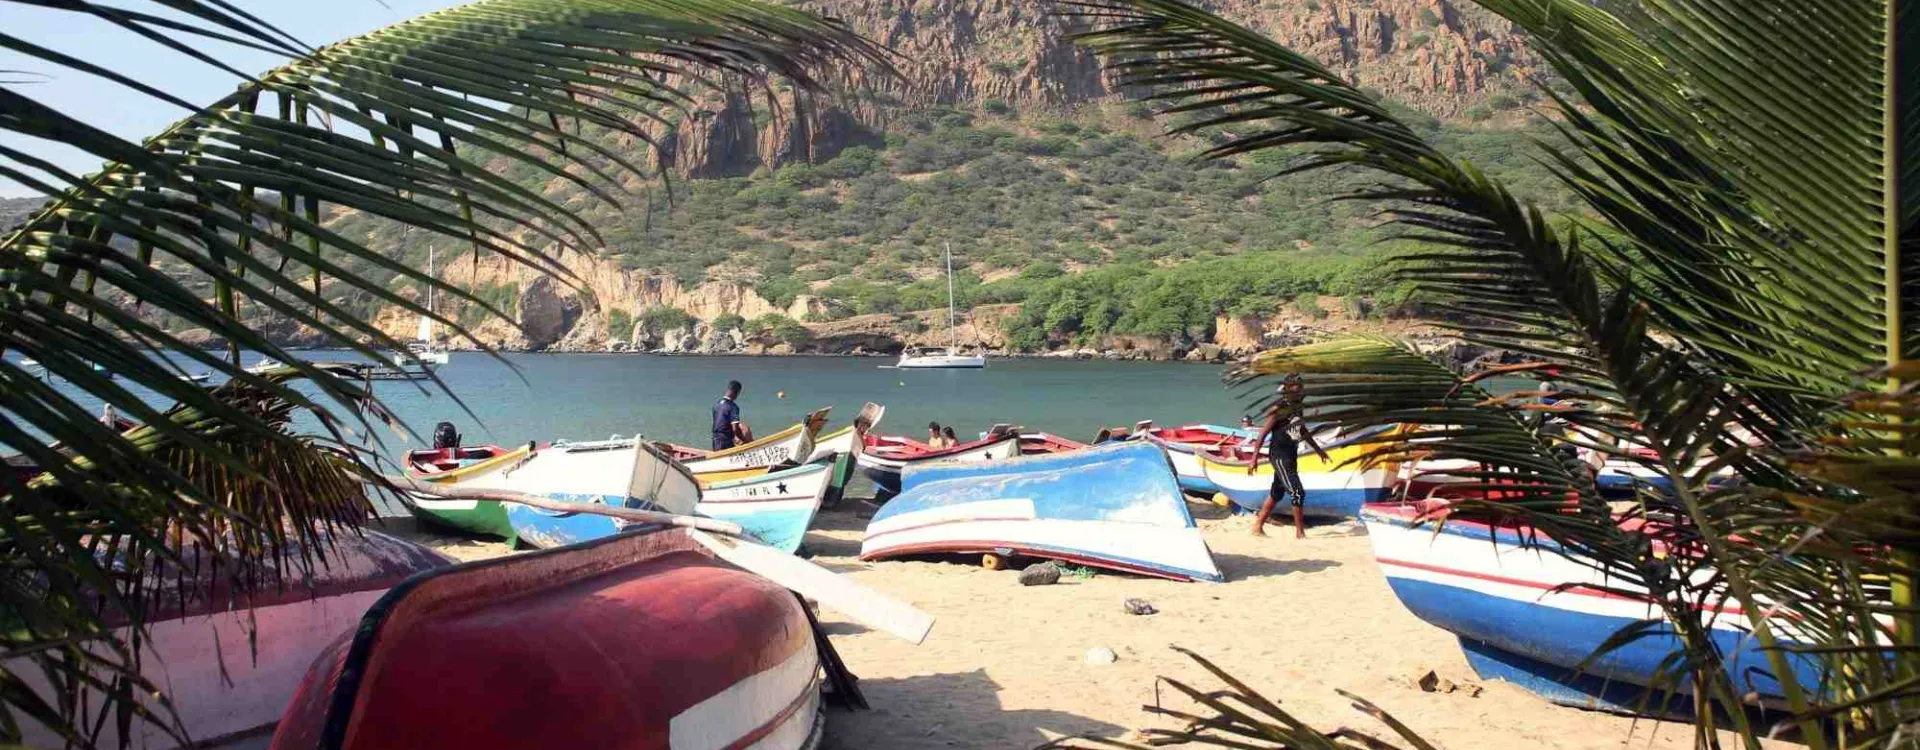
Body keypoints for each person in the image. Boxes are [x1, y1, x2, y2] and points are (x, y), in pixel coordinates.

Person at [1248, 374, 1330, 538]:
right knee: (1297, 491)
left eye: (1300, 386)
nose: (1299, 388)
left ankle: (1257, 526)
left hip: (1291, 454)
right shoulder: (1278, 408)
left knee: (1276, 493)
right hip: (1278, 455)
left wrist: (1318, 450)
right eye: (1295, 386)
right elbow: (1263, 433)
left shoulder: (1298, 407)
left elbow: (1301, 430)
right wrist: (1254, 459)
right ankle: (1300, 533)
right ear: (1287, 388)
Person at [712, 380, 752, 450]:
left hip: (715, 440)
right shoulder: (733, 407)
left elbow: (719, 424)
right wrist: (746, 442)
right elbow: (735, 429)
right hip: (725, 441)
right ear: (737, 392)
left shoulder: (716, 404)